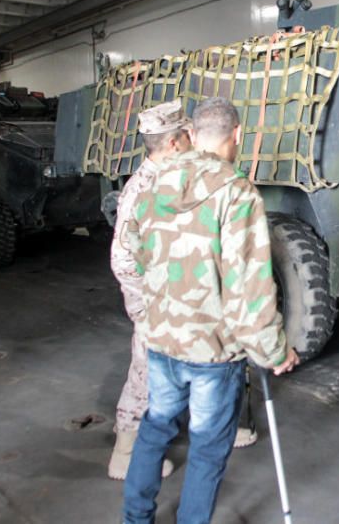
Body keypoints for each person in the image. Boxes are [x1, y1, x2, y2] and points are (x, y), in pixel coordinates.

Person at [122, 97, 299, 524]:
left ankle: (134, 519)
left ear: (192, 134)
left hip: (162, 340)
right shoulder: (237, 194)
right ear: (237, 135)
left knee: (154, 428)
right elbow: (249, 289)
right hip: (212, 352)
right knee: (205, 446)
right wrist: (275, 351)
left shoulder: (153, 183)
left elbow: (135, 257)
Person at [109, 101, 193, 480]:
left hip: (175, 299)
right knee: (146, 373)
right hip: (155, 303)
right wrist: (147, 308)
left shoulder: (169, 180)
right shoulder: (142, 190)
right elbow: (123, 260)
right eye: (188, 135)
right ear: (174, 143)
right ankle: (124, 454)